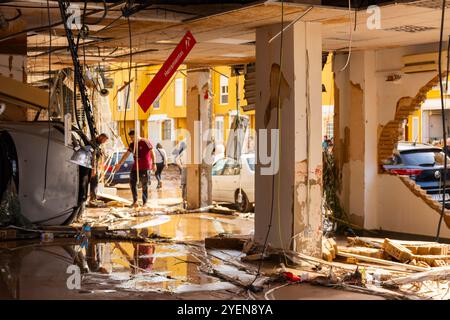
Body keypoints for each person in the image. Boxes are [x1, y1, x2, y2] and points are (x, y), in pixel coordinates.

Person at [114, 130, 156, 207]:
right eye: (131, 138)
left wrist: (154, 163)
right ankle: (135, 201)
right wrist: (119, 164)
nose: (132, 139)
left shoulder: (145, 141)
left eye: (133, 137)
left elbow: (152, 152)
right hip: (135, 166)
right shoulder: (132, 144)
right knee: (132, 183)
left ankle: (145, 203)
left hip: (145, 166)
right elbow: (126, 154)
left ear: (137, 135)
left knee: (144, 184)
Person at [89, 133, 109, 202]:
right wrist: (93, 169)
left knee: (94, 183)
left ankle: (92, 198)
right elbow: (93, 157)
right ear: (101, 137)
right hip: (91, 167)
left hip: (94, 167)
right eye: (104, 140)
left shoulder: (98, 144)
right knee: (94, 183)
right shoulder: (94, 144)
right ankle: (92, 199)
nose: (104, 142)